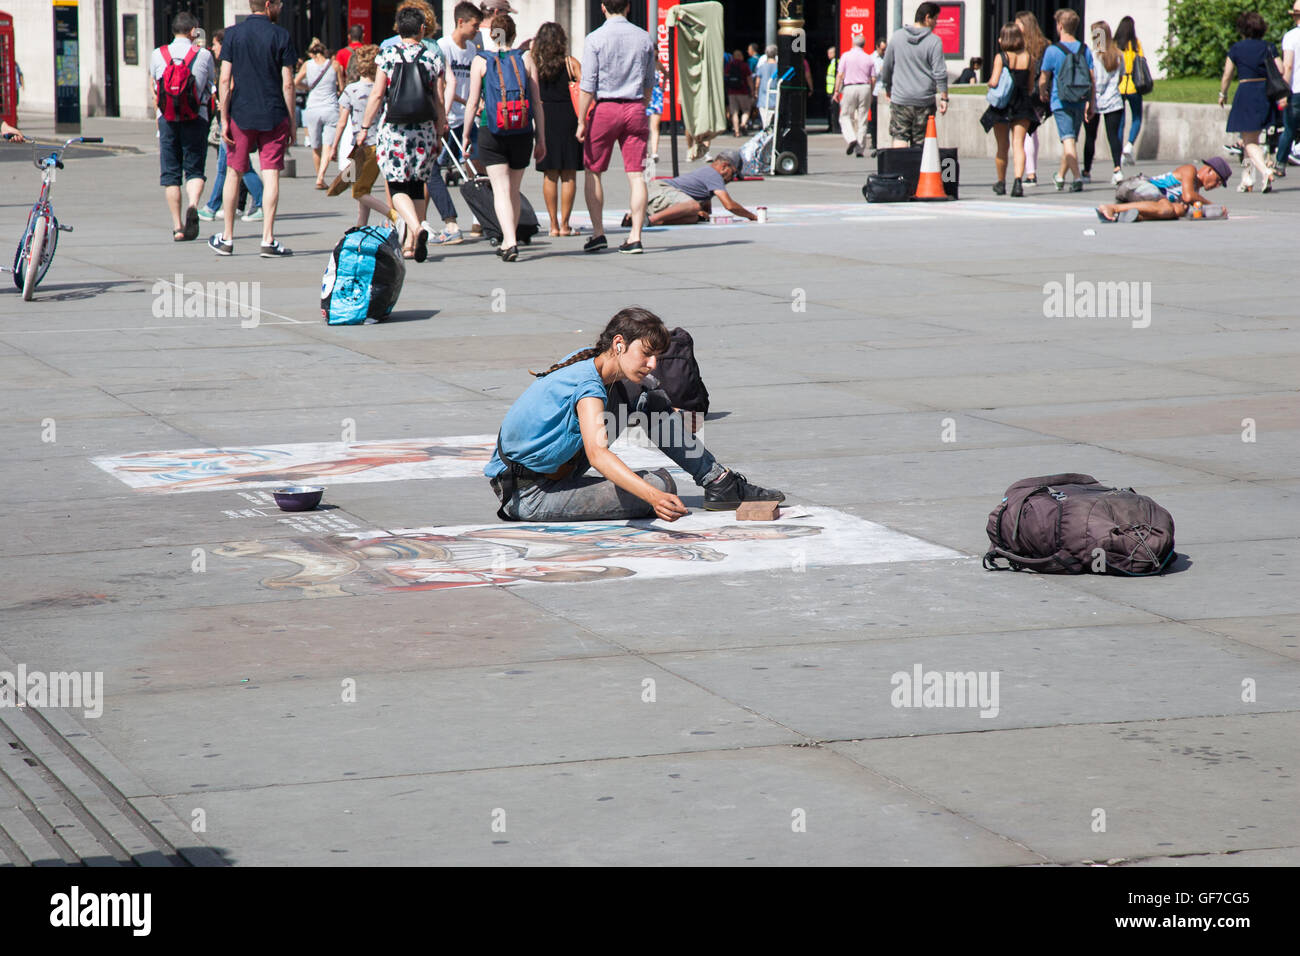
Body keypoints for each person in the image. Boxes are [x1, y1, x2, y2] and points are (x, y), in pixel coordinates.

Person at [486, 308, 785, 522]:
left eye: (658, 356)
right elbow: (598, 455)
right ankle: (688, 487)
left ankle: (719, 482)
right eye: (647, 354)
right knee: (660, 486)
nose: (653, 363)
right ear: (619, 344)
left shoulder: (591, 360)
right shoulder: (587, 386)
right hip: (528, 495)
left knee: (648, 397)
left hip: (538, 474)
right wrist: (653, 497)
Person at [360, 5, 448, 261]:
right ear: (422, 29)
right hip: (424, 132)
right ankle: (411, 243)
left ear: (398, 30)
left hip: (395, 132)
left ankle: (416, 229)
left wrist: (365, 127)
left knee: (397, 186)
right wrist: (440, 132)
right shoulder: (433, 57)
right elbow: (439, 99)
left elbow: (377, 95)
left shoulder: (387, 55)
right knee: (417, 186)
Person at [211, 0, 296, 258]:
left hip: (241, 114)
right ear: (268, 4)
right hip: (273, 113)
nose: (281, 7)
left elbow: (224, 78)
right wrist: (292, 122)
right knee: (271, 174)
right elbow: (288, 83)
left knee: (233, 173)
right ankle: (268, 239)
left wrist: (224, 117)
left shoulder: (233, 34)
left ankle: (226, 238)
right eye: (279, 3)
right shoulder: (281, 35)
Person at [462, 12, 545, 262]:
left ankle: (509, 241)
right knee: (514, 189)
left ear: (492, 35)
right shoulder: (526, 58)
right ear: (514, 34)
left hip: (492, 129)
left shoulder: (481, 61)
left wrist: (466, 134)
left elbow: (472, 102)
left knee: (500, 189)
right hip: (521, 130)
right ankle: (511, 237)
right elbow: (537, 102)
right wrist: (541, 138)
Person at [575, 0, 655, 255]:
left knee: (593, 171)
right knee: (636, 174)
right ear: (628, 7)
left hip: (606, 108)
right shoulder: (644, 38)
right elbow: (649, 80)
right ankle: (635, 236)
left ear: (603, 7)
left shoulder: (595, 38)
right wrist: (640, 103)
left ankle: (598, 233)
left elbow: (588, 84)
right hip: (634, 107)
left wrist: (581, 120)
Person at [150, 12, 215, 242]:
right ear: (193, 31)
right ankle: (194, 205)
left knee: (170, 174)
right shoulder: (204, 55)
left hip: (167, 120)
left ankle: (177, 226)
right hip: (196, 118)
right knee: (195, 170)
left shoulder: (158, 54)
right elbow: (211, 86)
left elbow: (155, 88)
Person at [429, 1, 482, 246]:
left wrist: (476, 102)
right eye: (474, 24)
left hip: (466, 117)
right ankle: (425, 220)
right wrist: (468, 101)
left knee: (475, 166)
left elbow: (474, 81)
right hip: (447, 118)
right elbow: (444, 85)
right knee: (432, 170)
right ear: (460, 22)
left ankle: (479, 219)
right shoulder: (443, 46)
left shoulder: (472, 48)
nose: (477, 29)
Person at [199, 29, 264, 223]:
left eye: (216, 44)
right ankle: (215, 205)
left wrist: (223, 104)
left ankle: (215, 206)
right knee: (230, 166)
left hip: (231, 121)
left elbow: (230, 86)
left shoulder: (231, 65)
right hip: (230, 119)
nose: (213, 48)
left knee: (237, 165)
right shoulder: (236, 64)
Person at [1220, 11, 1283, 193]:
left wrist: (1222, 94)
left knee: (1248, 141)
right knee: (1253, 138)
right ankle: (1247, 178)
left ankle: (1264, 171)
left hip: (1246, 92)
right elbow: (1279, 68)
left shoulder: (1237, 48)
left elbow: (1227, 75)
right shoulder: (1268, 46)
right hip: (1264, 92)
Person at [532, 20, 583, 237]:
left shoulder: (534, 64)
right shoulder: (570, 63)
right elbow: (586, 88)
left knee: (549, 173)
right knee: (569, 173)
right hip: (569, 118)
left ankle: (552, 225)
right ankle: (565, 225)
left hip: (545, 118)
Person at [329, 45, 388, 227]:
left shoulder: (351, 90)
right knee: (365, 187)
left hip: (364, 145)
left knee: (358, 191)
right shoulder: (383, 89)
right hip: (383, 143)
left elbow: (341, 122)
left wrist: (334, 147)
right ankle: (361, 225)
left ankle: (394, 216)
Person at [1037, 7, 1095, 192]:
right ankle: (1060, 176)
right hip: (1079, 99)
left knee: (1068, 141)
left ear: (1060, 26)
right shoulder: (1084, 49)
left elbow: (1044, 77)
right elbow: (1092, 78)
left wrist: (1042, 92)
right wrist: (1091, 102)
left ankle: (1077, 178)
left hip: (1060, 100)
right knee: (1070, 141)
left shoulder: (1053, 50)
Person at [981, 23, 1038, 197]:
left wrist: (990, 84)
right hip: (1022, 104)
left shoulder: (1001, 57)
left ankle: (1001, 182)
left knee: (1002, 146)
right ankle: (1018, 182)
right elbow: (1030, 86)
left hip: (1003, 106)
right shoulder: (1029, 58)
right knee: (1018, 145)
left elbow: (994, 81)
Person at [880, 2, 949, 147]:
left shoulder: (897, 37)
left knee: (900, 135)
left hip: (901, 98)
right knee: (921, 141)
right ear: (927, 17)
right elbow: (940, 72)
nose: (936, 23)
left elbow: (887, 66)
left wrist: (887, 87)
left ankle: (899, 169)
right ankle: (918, 169)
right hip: (924, 100)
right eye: (935, 19)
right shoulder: (934, 41)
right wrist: (944, 98)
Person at [636, 149, 756, 225]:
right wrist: (752, 216)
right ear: (724, 166)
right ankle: (648, 221)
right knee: (694, 206)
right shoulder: (714, 175)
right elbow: (729, 205)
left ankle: (649, 220)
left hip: (657, 197)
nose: (732, 179)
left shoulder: (708, 175)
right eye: (733, 174)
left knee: (694, 218)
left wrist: (703, 213)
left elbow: (706, 210)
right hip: (661, 190)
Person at [1097, 156, 1230, 221]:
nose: (1216, 185)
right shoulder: (1190, 170)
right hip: (1136, 185)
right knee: (1168, 208)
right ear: (1209, 170)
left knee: (1176, 210)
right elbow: (1188, 196)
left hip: (1141, 196)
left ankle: (1136, 215)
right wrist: (1214, 206)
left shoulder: (1196, 191)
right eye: (1218, 180)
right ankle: (1113, 208)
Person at [295, 38, 344, 189]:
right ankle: (321, 176)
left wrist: (307, 87)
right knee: (328, 145)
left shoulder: (307, 65)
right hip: (330, 108)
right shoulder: (335, 65)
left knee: (316, 146)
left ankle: (319, 177)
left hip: (312, 109)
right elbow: (342, 88)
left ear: (313, 53)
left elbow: (296, 82)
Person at [1082, 21, 1125, 186]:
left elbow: (1093, 81)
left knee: (1090, 137)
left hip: (1095, 101)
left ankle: (1086, 171)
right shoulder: (1118, 55)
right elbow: (1120, 77)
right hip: (1114, 100)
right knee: (1113, 136)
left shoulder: (1092, 55)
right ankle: (1117, 169)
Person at [1015, 10, 1049, 187]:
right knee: (1031, 133)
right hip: (1040, 93)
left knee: (1026, 134)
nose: (1015, 26)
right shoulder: (1045, 45)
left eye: (1018, 23)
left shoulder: (1021, 47)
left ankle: (1030, 174)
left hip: (1027, 93)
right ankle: (1031, 171)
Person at [835, 34, 878, 157]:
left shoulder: (846, 56)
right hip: (865, 87)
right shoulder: (869, 58)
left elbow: (840, 75)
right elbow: (873, 78)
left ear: (853, 43)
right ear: (864, 45)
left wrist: (836, 91)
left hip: (850, 87)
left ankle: (851, 138)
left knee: (845, 116)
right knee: (862, 119)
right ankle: (860, 149)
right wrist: (870, 91)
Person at [1114, 16, 1145, 167]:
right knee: (1137, 117)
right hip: (1133, 85)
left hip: (1119, 86)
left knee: (1120, 122)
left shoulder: (1114, 44)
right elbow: (1141, 61)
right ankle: (1129, 145)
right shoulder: (1135, 43)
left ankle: (1119, 152)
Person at [1274, 2, 1300, 177]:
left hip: (1296, 89)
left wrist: (1283, 91)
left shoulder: (1291, 37)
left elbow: (1288, 66)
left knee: (1289, 128)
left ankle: (1280, 163)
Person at [725, 48, 753, 136]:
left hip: (732, 92)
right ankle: (743, 124)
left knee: (734, 112)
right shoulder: (744, 65)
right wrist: (752, 90)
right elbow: (749, 79)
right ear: (741, 56)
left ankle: (736, 131)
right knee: (746, 110)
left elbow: (725, 76)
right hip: (743, 91)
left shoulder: (729, 65)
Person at [754, 45, 780, 131]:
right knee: (775, 119)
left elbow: (757, 82)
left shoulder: (762, 67)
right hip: (776, 96)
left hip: (763, 97)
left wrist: (755, 92)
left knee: (765, 121)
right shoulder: (779, 67)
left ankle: (767, 134)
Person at [824, 46, 840, 134]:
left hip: (833, 89)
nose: (828, 55)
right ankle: (831, 126)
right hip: (830, 89)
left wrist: (836, 89)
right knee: (830, 109)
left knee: (834, 109)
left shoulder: (836, 63)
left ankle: (834, 127)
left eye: (830, 53)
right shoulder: (832, 63)